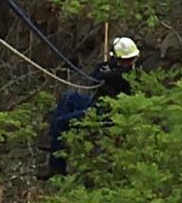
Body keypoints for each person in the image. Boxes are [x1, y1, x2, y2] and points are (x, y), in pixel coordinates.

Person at [46, 36, 140, 177]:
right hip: (96, 103)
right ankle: (56, 140)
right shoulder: (115, 68)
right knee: (69, 98)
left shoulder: (126, 74)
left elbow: (101, 76)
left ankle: (57, 169)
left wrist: (107, 68)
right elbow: (95, 74)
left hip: (105, 113)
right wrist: (108, 66)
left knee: (60, 123)